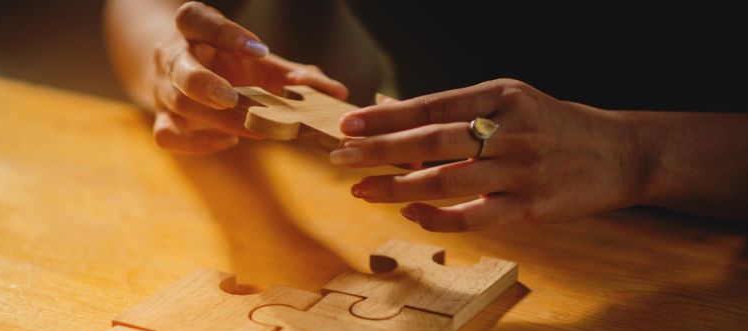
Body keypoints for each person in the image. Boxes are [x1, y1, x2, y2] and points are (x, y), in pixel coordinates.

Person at [104, 0, 748, 232]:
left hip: (703, 256)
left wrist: (637, 156)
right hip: (419, 222)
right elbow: (141, 6)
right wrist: (175, 66)